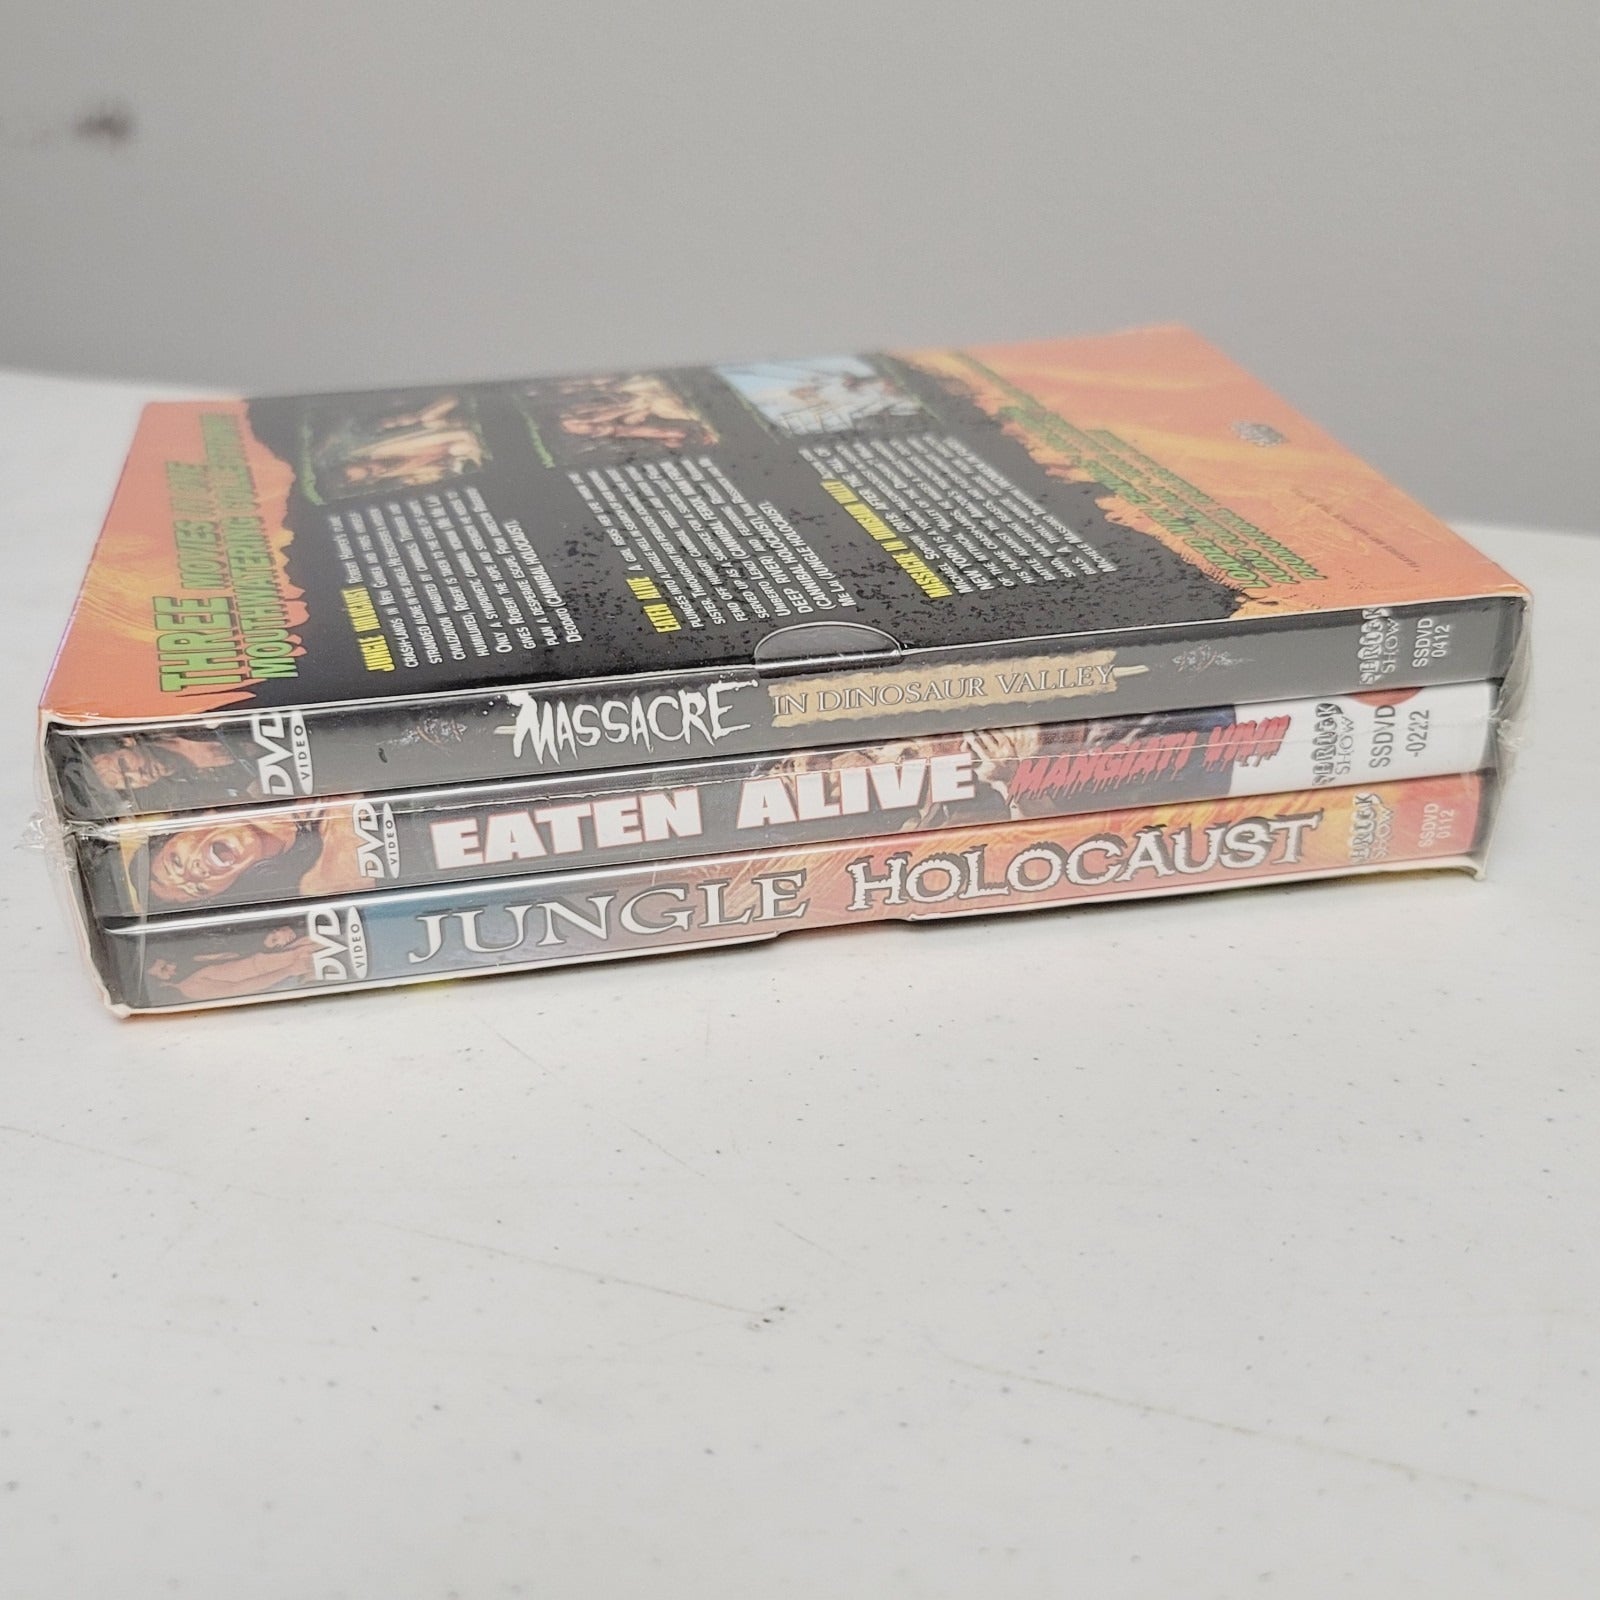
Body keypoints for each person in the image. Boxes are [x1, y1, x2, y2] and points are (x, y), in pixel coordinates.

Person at [134, 808, 374, 907]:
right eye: (198, 889)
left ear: (179, 830)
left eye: (176, 862)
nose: (195, 873)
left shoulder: (255, 766)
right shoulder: (318, 879)